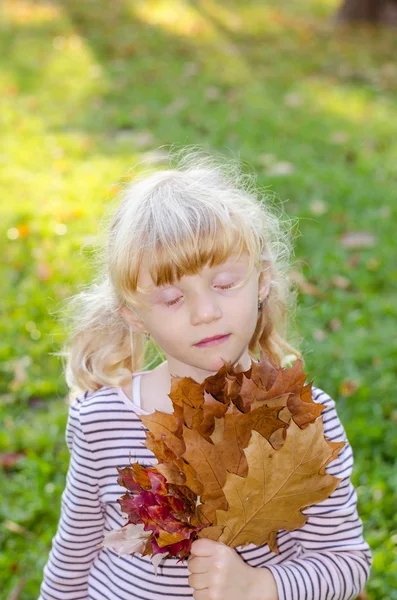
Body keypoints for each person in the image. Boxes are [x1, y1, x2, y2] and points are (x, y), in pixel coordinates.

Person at [39, 149, 372, 600]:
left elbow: (346, 563)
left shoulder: (303, 420)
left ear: (261, 282)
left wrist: (261, 586)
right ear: (134, 316)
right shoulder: (101, 421)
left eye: (224, 283)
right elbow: (74, 556)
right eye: (173, 299)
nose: (206, 312)